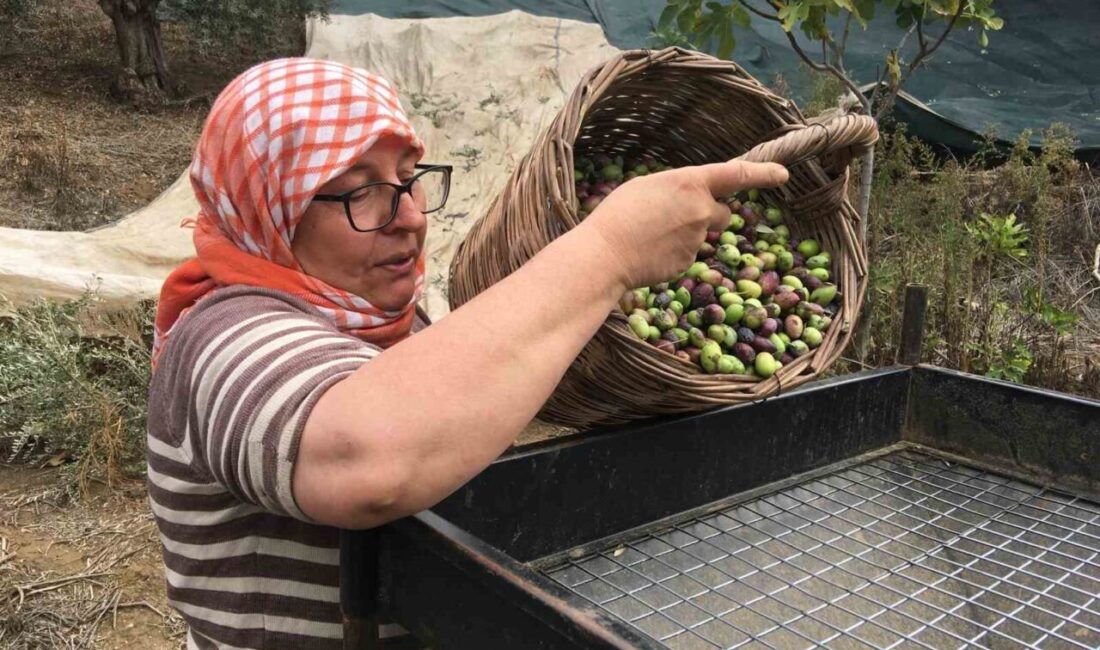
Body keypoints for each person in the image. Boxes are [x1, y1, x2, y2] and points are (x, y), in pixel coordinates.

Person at [146, 57, 788, 649]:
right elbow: (369, 461)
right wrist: (610, 253)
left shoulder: (392, 324)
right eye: (356, 190)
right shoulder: (221, 333)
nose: (408, 218)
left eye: (407, 179)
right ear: (269, 208)